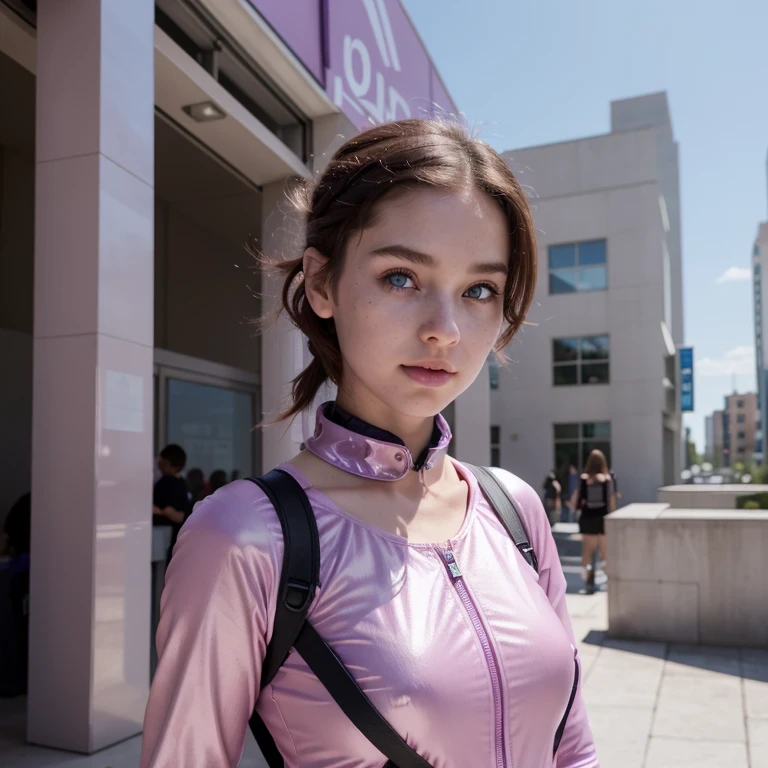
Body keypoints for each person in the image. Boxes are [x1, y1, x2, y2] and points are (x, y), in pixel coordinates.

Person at [141, 119, 598, 768]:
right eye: (401, 278)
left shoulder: (513, 509)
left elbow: (573, 746)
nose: (444, 330)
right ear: (322, 283)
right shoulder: (245, 535)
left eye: (479, 290)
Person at [573, 450, 616, 593]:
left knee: (587, 553)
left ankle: (589, 580)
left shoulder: (584, 478)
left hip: (587, 519)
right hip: (602, 519)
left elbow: (578, 501)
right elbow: (611, 501)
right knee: (604, 553)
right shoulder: (607, 479)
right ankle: (603, 578)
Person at [152, 445, 190, 560]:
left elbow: (169, 511)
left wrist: (160, 511)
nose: (159, 464)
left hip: (163, 534)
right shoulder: (182, 483)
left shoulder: (165, 483)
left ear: (167, 462)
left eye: (161, 461)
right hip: (178, 537)